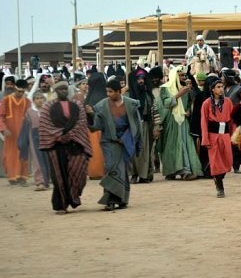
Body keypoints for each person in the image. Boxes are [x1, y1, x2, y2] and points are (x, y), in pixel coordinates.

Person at [38, 81, 92, 214]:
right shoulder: (48, 106)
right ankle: (60, 205)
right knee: (59, 175)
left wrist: (70, 135)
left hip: (75, 143)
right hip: (56, 145)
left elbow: (81, 122)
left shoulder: (77, 105)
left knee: (78, 172)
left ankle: (73, 197)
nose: (64, 91)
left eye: (65, 88)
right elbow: (45, 125)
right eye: (61, 89)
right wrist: (60, 135)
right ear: (55, 91)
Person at [88, 79, 142, 211]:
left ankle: (122, 199)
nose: (108, 94)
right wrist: (90, 115)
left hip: (125, 142)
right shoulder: (101, 106)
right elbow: (96, 127)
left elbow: (136, 126)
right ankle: (110, 200)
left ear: (119, 91)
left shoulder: (131, 104)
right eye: (107, 91)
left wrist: (129, 139)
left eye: (111, 91)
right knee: (111, 169)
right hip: (109, 142)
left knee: (123, 171)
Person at [158, 66, 203, 180]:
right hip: (171, 121)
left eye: (184, 75)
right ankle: (172, 171)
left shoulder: (185, 88)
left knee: (185, 144)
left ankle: (186, 170)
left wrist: (188, 110)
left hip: (183, 121)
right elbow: (166, 104)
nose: (183, 77)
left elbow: (188, 104)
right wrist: (179, 94)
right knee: (171, 146)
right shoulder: (165, 88)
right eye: (181, 75)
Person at [201, 78, 234, 198]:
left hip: (225, 135)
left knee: (227, 160)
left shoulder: (228, 102)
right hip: (213, 135)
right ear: (212, 89)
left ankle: (218, 177)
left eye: (222, 87)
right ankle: (220, 186)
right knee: (216, 162)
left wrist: (234, 135)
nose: (221, 89)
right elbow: (204, 122)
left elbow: (232, 121)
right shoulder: (206, 104)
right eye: (218, 87)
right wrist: (205, 139)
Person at [127, 67, 160, 183]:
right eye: (138, 79)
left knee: (145, 152)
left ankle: (144, 175)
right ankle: (134, 174)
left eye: (143, 79)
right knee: (134, 152)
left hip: (146, 126)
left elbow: (155, 110)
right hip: (133, 127)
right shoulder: (129, 96)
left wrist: (156, 127)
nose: (141, 81)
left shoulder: (148, 95)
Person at [0, 79, 31, 186]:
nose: (20, 94)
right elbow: (1, 116)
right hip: (10, 133)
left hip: (23, 132)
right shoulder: (6, 99)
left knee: (23, 154)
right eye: (19, 92)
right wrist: (3, 129)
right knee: (9, 155)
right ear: (15, 89)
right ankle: (12, 176)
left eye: (22, 92)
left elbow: (29, 117)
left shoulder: (27, 101)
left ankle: (22, 177)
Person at [18, 90, 50, 191]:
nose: (39, 100)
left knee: (48, 159)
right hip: (34, 137)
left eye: (41, 98)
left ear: (44, 99)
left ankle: (47, 181)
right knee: (37, 159)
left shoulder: (47, 110)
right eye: (37, 98)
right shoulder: (29, 112)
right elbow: (26, 127)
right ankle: (40, 182)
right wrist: (24, 141)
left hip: (47, 136)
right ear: (33, 100)